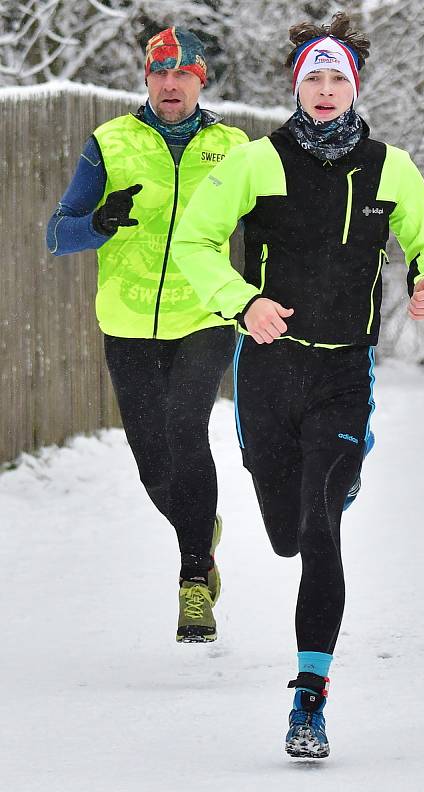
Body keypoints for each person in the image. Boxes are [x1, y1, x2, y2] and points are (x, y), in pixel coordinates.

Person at [172, 12, 424, 757]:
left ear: (353, 87)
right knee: (283, 531)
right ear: (295, 87)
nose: (325, 91)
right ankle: (305, 497)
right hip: (267, 370)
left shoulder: (391, 167)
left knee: (320, 526)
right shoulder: (255, 162)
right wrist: (242, 302)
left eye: (337, 79)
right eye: (312, 79)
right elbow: (194, 241)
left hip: (340, 372)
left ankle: (308, 700)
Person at [46, 25, 248, 643]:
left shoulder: (232, 147)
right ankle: (199, 529)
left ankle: (193, 580)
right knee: (153, 465)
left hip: (205, 315)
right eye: (160, 72)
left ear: (200, 81)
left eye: (183, 74)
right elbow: (59, 235)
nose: (170, 83)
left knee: (186, 427)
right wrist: (101, 222)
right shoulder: (110, 143)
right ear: (146, 77)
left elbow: (273, 228)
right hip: (129, 323)